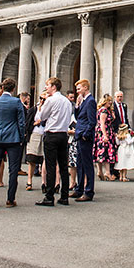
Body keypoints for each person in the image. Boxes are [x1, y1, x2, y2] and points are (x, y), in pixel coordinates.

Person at [0, 77, 25, 207]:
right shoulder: (16, 102)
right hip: (13, 138)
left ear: (2, 88)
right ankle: (10, 199)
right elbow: (21, 122)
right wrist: (21, 137)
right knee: (13, 169)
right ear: (13, 89)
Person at [34, 77, 73, 207]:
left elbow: (42, 116)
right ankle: (64, 196)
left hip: (52, 134)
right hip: (63, 134)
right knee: (63, 166)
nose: (46, 88)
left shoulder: (50, 100)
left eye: (48, 85)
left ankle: (49, 196)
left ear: (54, 87)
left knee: (51, 165)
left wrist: (41, 106)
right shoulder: (67, 101)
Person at [72, 79, 96, 201]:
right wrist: (77, 105)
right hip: (80, 134)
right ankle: (79, 189)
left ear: (85, 88)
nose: (77, 91)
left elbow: (92, 121)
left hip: (84, 136)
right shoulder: (84, 101)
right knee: (80, 163)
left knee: (87, 164)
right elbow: (78, 117)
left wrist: (86, 134)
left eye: (79, 88)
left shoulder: (91, 101)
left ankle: (89, 191)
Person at [93, 95, 118, 181]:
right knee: (106, 151)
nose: (110, 103)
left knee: (100, 151)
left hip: (103, 131)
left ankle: (100, 171)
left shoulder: (104, 110)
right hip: (104, 131)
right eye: (108, 101)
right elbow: (102, 123)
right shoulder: (104, 110)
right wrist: (105, 135)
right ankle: (107, 172)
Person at [23, 92, 44, 191]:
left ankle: (44, 182)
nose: (42, 101)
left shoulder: (49, 109)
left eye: (44, 99)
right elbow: (27, 123)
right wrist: (35, 123)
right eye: (41, 98)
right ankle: (29, 180)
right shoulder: (34, 109)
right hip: (34, 135)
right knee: (32, 159)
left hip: (45, 134)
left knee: (44, 160)